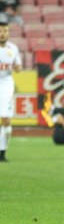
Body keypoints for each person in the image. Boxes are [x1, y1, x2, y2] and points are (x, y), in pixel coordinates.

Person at [0, 17, 22, 162]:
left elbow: (18, 67)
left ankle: (2, 152)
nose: (2, 33)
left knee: (6, 119)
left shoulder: (13, 48)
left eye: (5, 31)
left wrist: (17, 67)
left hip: (5, 84)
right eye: (0, 31)